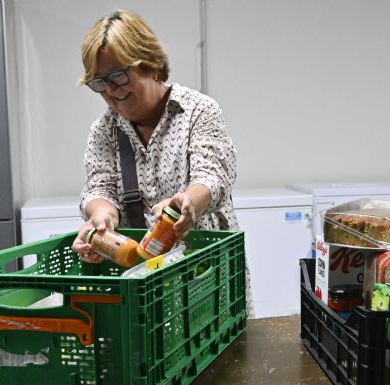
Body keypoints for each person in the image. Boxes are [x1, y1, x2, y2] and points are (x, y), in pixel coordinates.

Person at [70, 10, 253, 316]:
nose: (112, 91)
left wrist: (189, 202)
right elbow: (99, 187)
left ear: (149, 64)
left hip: (207, 277)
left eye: (118, 75)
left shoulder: (198, 111)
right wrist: (100, 220)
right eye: (100, 83)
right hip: (145, 287)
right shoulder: (104, 130)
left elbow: (214, 175)